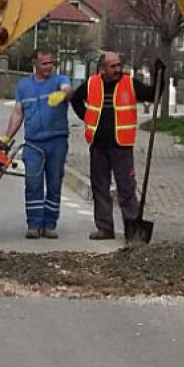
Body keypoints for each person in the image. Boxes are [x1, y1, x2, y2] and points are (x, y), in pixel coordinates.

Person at [69, 51, 156, 241]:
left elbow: (151, 94)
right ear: (103, 69)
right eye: (113, 66)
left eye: (119, 65)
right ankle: (104, 228)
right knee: (100, 188)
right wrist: (86, 116)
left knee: (126, 189)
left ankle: (132, 229)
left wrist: (159, 78)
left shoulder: (129, 83)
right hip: (98, 146)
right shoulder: (92, 84)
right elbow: (75, 99)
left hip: (121, 146)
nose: (118, 69)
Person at [0, 50, 72, 239]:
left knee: (54, 183)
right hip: (33, 143)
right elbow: (18, 112)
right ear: (35, 64)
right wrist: (7, 137)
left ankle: (49, 224)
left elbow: (67, 89)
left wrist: (63, 95)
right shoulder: (24, 86)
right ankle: (34, 223)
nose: (48, 67)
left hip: (57, 141)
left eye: (50, 63)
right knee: (33, 183)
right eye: (44, 63)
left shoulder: (59, 80)